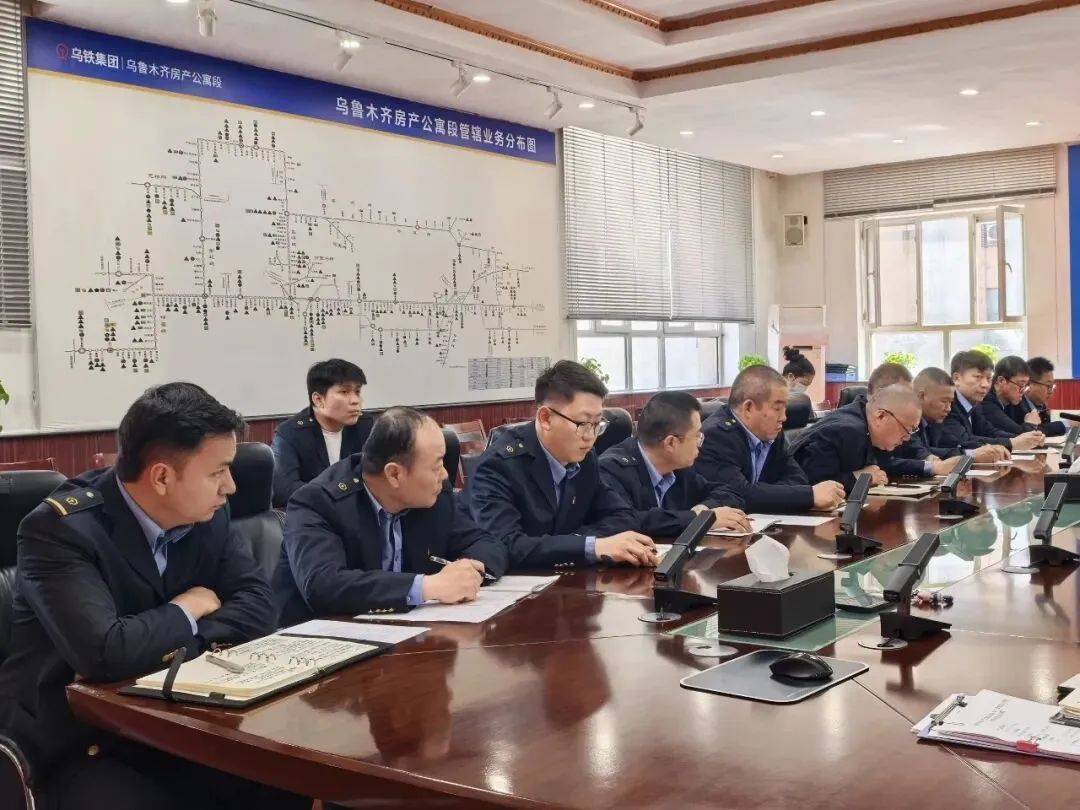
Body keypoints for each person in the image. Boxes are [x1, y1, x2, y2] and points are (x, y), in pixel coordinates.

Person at [0, 383, 309, 810]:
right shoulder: (61, 531)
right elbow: (105, 654)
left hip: (180, 717)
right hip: (80, 739)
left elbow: (258, 605)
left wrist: (169, 642)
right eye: (218, 472)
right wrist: (189, 607)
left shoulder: (208, 515)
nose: (231, 487)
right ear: (162, 477)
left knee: (285, 777)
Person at [272, 408, 508, 627]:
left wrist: (470, 571)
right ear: (394, 474)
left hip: (407, 636)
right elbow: (323, 586)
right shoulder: (317, 502)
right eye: (436, 466)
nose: (445, 475)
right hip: (321, 641)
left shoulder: (433, 496)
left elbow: (487, 543)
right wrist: (428, 587)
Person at [465, 360, 655, 570]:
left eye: (597, 424)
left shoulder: (586, 459)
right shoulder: (498, 466)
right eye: (582, 424)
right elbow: (505, 544)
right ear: (545, 418)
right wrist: (591, 546)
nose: (590, 436)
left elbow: (623, 516)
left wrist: (581, 543)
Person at [694, 365, 845, 513]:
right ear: (748, 407)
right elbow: (737, 493)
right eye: (777, 408)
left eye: (785, 408)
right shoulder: (716, 436)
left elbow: (798, 479)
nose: (784, 417)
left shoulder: (771, 432)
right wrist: (809, 496)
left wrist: (762, 494)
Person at [598, 391, 750, 537]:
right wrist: (699, 520)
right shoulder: (613, 470)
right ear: (671, 443)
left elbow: (728, 492)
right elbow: (628, 521)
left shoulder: (678, 467)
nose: (700, 443)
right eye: (697, 436)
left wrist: (705, 509)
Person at [271, 358, 370, 508]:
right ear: (318, 400)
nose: (355, 400)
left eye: (357, 391)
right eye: (344, 392)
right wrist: (339, 494)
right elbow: (284, 490)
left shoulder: (366, 426)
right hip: (313, 513)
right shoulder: (290, 433)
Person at [791, 384, 922, 491]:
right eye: (908, 429)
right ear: (880, 416)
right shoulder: (846, 431)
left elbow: (882, 466)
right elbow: (812, 484)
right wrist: (861, 478)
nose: (907, 438)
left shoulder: (870, 429)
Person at [894, 368, 1006, 467]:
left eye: (950, 402)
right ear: (922, 396)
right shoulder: (905, 419)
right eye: (944, 401)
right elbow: (919, 452)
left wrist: (988, 448)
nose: (948, 408)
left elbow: (954, 442)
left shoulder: (935, 421)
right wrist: (971, 455)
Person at [939, 350, 1043, 453]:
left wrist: (1027, 439)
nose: (985, 385)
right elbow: (964, 441)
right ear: (956, 378)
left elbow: (989, 431)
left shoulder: (975, 404)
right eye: (978, 377)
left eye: (988, 378)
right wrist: (1012, 443)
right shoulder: (947, 404)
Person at [979, 356, 1040, 437]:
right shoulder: (986, 402)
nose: (1023, 391)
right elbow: (1019, 434)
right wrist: (1030, 424)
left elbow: (1035, 427)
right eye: (1021, 385)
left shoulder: (1012, 399)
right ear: (1001, 381)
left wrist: (1030, 423)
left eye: (1025, 385)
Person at [1013, 356, 1069, 437]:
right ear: (1028, 384)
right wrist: (1067, 424)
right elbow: (1033, 431)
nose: (1051, 391)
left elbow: (1045, 428)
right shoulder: (1016, 405)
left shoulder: (1040, 405)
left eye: (1052, 386)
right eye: (1048, 386)